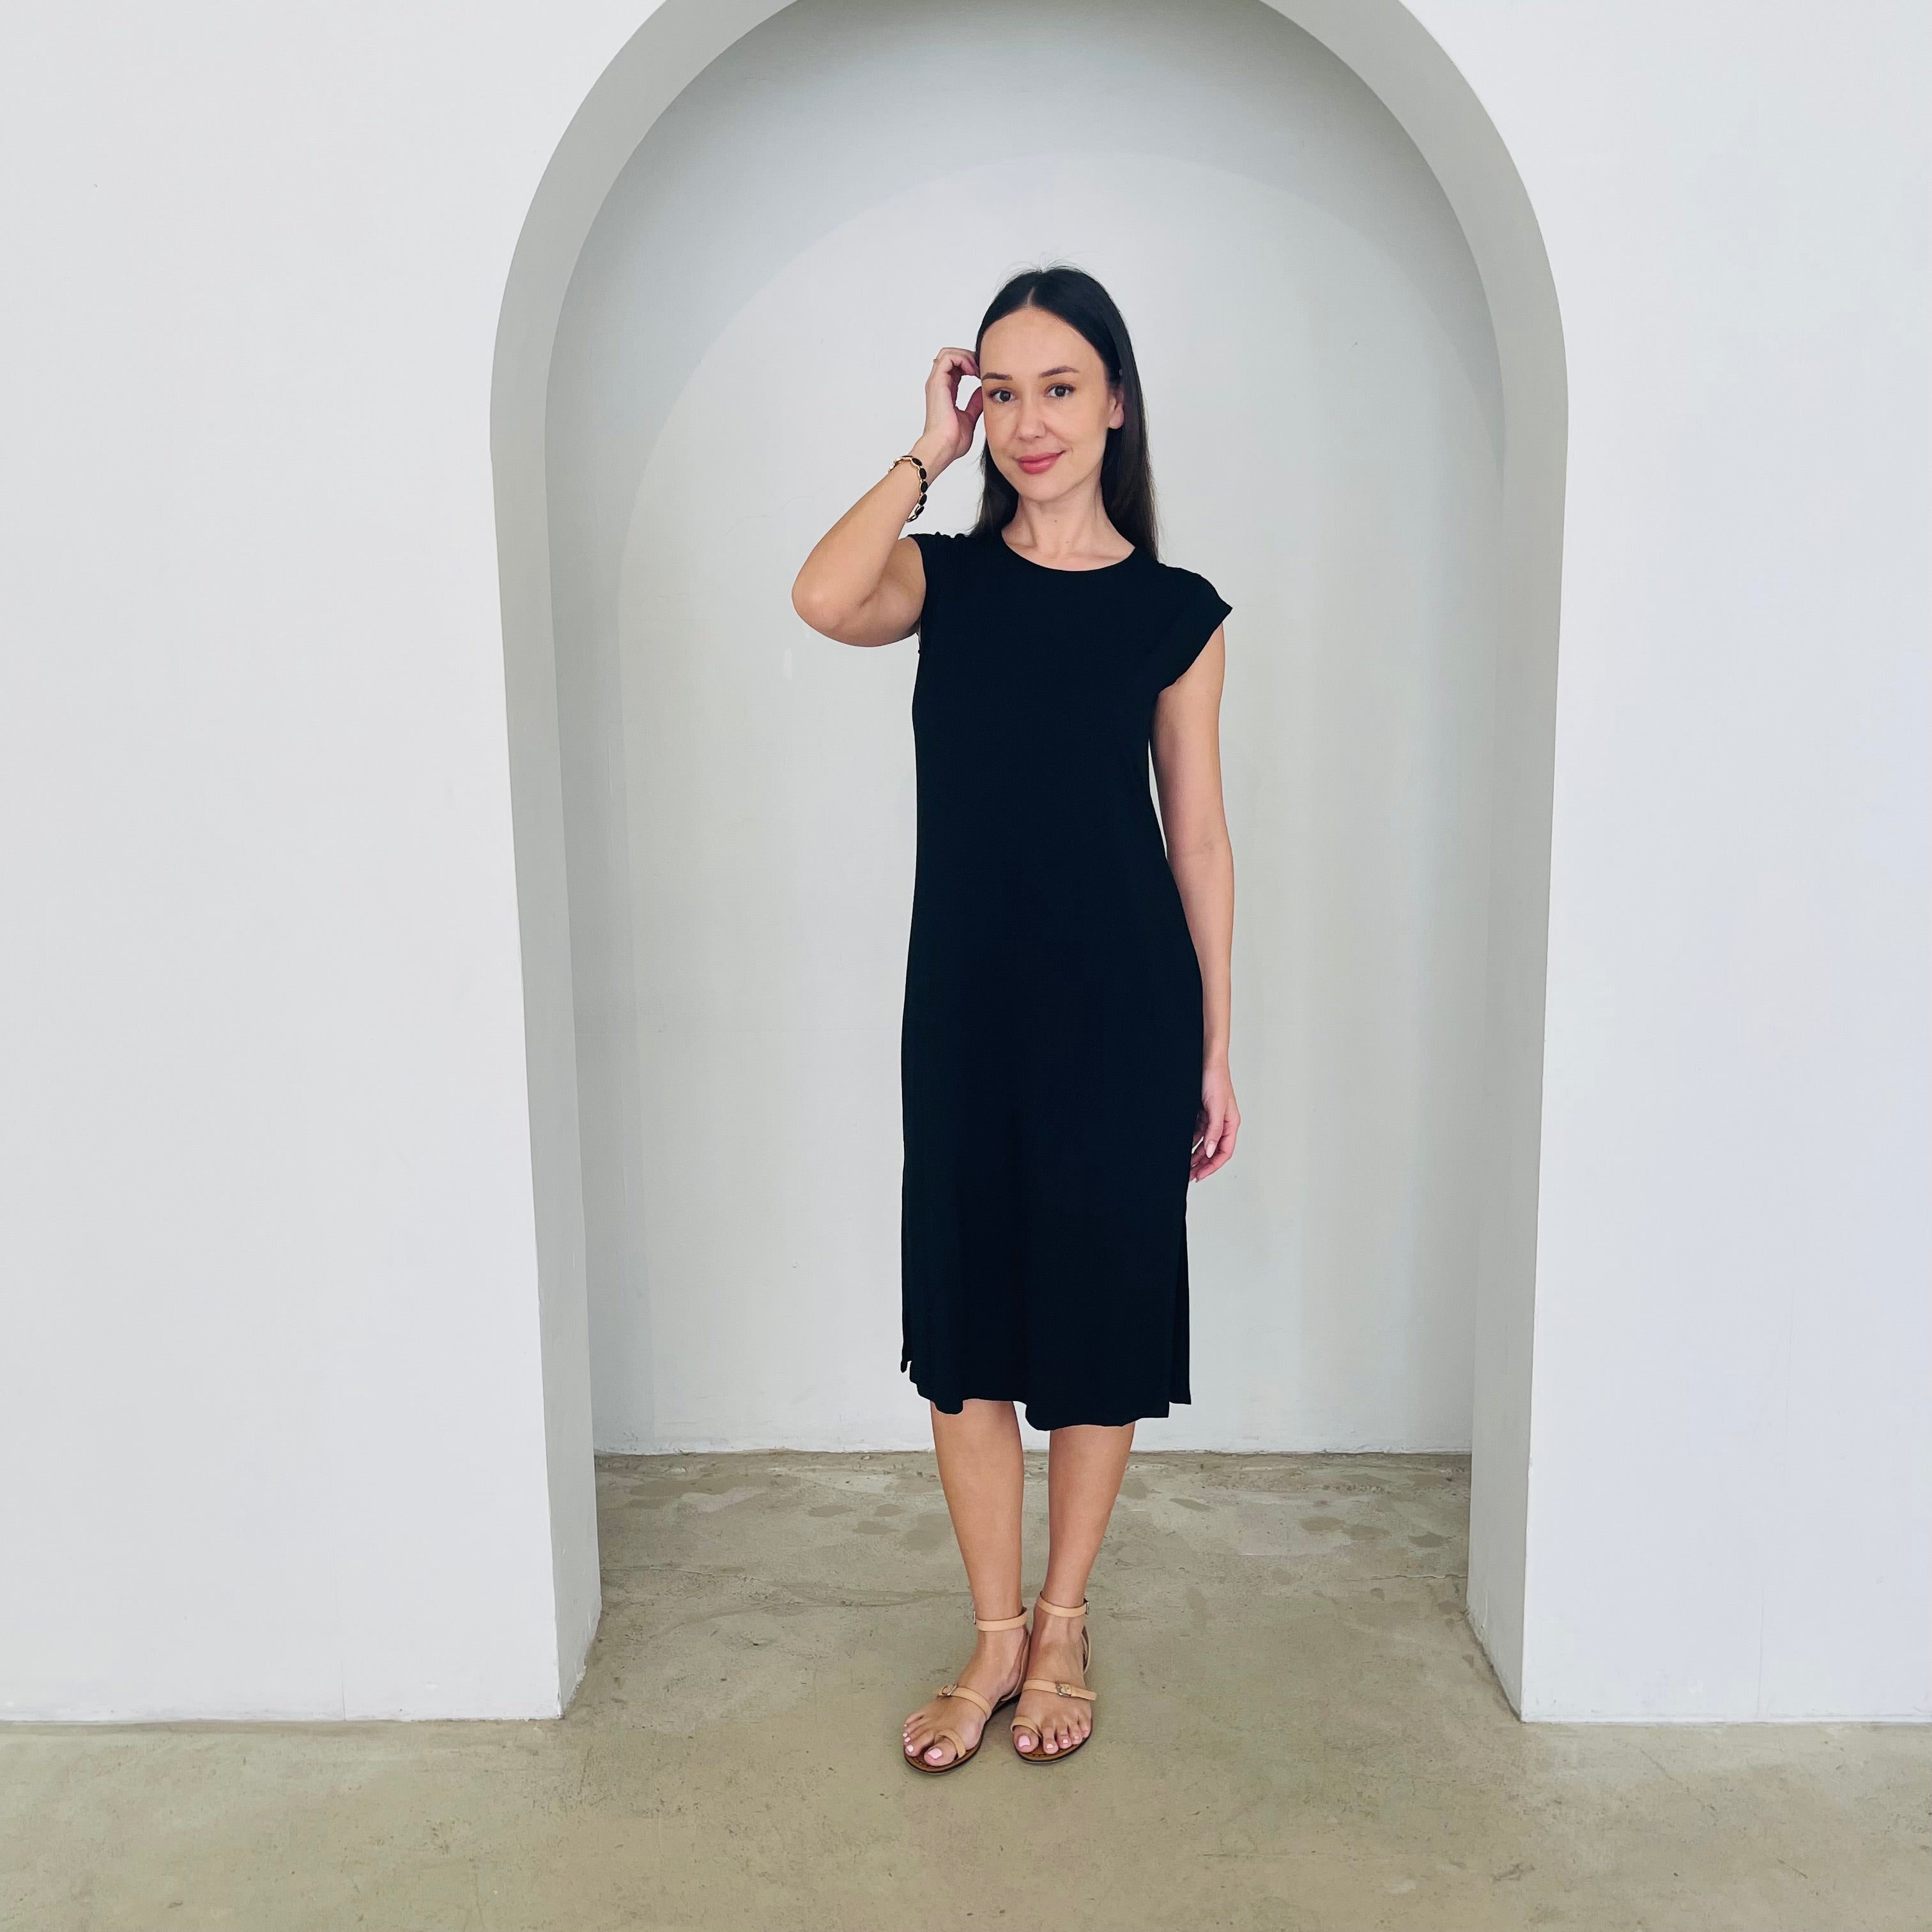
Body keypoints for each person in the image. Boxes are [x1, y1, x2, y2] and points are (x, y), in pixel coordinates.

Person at [791, 264, 1239, 1771]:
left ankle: (1063, 1625)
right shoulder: (946, 581)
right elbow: (822, 597)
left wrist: (1215, 1047)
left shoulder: (1175, 613)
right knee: (968, 1329)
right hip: (968, 1013)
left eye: (1061, 387)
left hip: (1125, 1012)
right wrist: (925, 453)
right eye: (1003, 391)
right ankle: (992, 1639)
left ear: (1116, 403)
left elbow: (1199, 840)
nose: (1031, 420)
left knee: (1100, 1325)